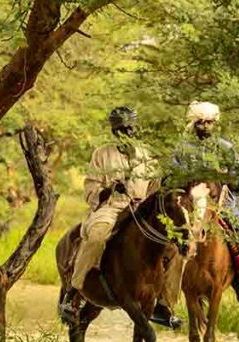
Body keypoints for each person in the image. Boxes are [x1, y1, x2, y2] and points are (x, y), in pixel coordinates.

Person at [59, 106, 184, 329]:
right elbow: (90, 190)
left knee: (173, 248)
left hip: (140, 209)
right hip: (111, 207)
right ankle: (73, 292)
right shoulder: (101, 154)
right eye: (121, 129)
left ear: (137, 128)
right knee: (96, 237)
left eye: (130, 128)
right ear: (114, 131)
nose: (127, 132)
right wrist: (108, 190)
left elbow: (155, 189)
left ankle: (164, 304)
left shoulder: (148, 156)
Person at [168, 101, 239, 309]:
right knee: (162, 236)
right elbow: (171, 176)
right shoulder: (182, 149)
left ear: (215, 123)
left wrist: (225, 177)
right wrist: (187, 178)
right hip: (189, 204)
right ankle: (162, 296)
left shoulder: (226, 148)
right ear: (194, 124)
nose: (206, 127)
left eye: (209, 122)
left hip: (222, 204)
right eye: (201, 122)